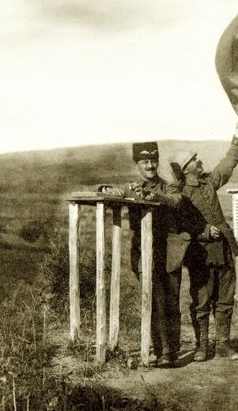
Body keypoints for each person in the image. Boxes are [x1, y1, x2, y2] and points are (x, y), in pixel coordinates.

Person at [98, 141, 182, 368]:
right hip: (143, 250)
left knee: (171, 300)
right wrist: (106, 190)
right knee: (152, 298)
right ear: (138, 165)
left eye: (153, 160)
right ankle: (161, 350)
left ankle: (173, 350)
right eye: (145, 161)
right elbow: (113, 193)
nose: (150, 165)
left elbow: (175, 201)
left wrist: (152, 194)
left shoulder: (167, 187)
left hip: (169, 250)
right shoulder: (132, 188)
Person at [170, 120, 238, 362]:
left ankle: (223, 344)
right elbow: (182, 226)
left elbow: (227, 166)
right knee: (202, 300)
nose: (200, 161)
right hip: (200, 254)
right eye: (195, 159)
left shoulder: (208, 183)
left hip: (224, 249)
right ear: (186, 168)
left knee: (225, 299)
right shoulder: (181, 194)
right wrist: (204, 232)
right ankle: (202, 346)